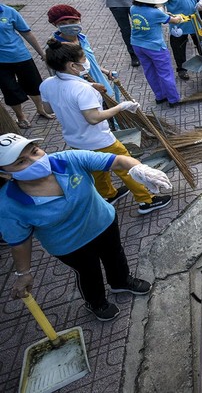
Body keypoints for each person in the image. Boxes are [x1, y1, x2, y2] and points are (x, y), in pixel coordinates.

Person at [1, 133, 172, 321]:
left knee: (115, 254)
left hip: (103, 222)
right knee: (89, 272)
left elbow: (117, 160)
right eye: (20, 162)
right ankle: (96, 303)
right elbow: (19, 242)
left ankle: (121, 281)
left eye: (35, 151)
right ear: (5, 173)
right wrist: (23, 273)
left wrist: (142, 170)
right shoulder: (8, 204)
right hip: (70, 245)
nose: (35, 161)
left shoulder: (67, 160)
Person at [40, 39, 173, 213]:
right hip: (100, 140)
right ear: (73, 66)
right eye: (83, 59)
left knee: (96, 169)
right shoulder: (82, 90)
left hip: (75, 140)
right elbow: (93, 118)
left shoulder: (47, 84)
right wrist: (121, 107)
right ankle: (147, 200)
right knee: (128, 168)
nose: (86, 63)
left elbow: (48, 107)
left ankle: (109, 194)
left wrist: (88, 86)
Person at [0, 3, 55, 129]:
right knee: (9, 89)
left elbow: (27, 33)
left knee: (33, 84)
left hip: (20, 55)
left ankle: (40, 109)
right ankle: (20, 116)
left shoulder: (9, 11)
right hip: (1, 62)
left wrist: (42, 54)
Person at [129, 0, 185, 107]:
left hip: (137, 45)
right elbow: (174, 20)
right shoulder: (155, 13)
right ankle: (173, 99)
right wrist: (179, 17)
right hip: (155, 47)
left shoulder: (133, 8)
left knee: (150, 71)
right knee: (165, 73)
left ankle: (160, 96)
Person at [47, 4, 115, 96]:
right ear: (55, 24)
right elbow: (60, 77)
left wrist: (105, 71)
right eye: (63, 24)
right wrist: (91, 85)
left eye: (73, 21)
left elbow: (90, 61)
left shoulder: (82, 38)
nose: (69, 26)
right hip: (83, 93)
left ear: (79, 20)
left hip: (102, 87)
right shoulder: (56, 48)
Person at [159, 0, 202, 81]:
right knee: (178, 47)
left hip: (195, 20)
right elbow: (160, 4)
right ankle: (182, 69)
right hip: (178, 23)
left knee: (201, 43)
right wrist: (163, 13)